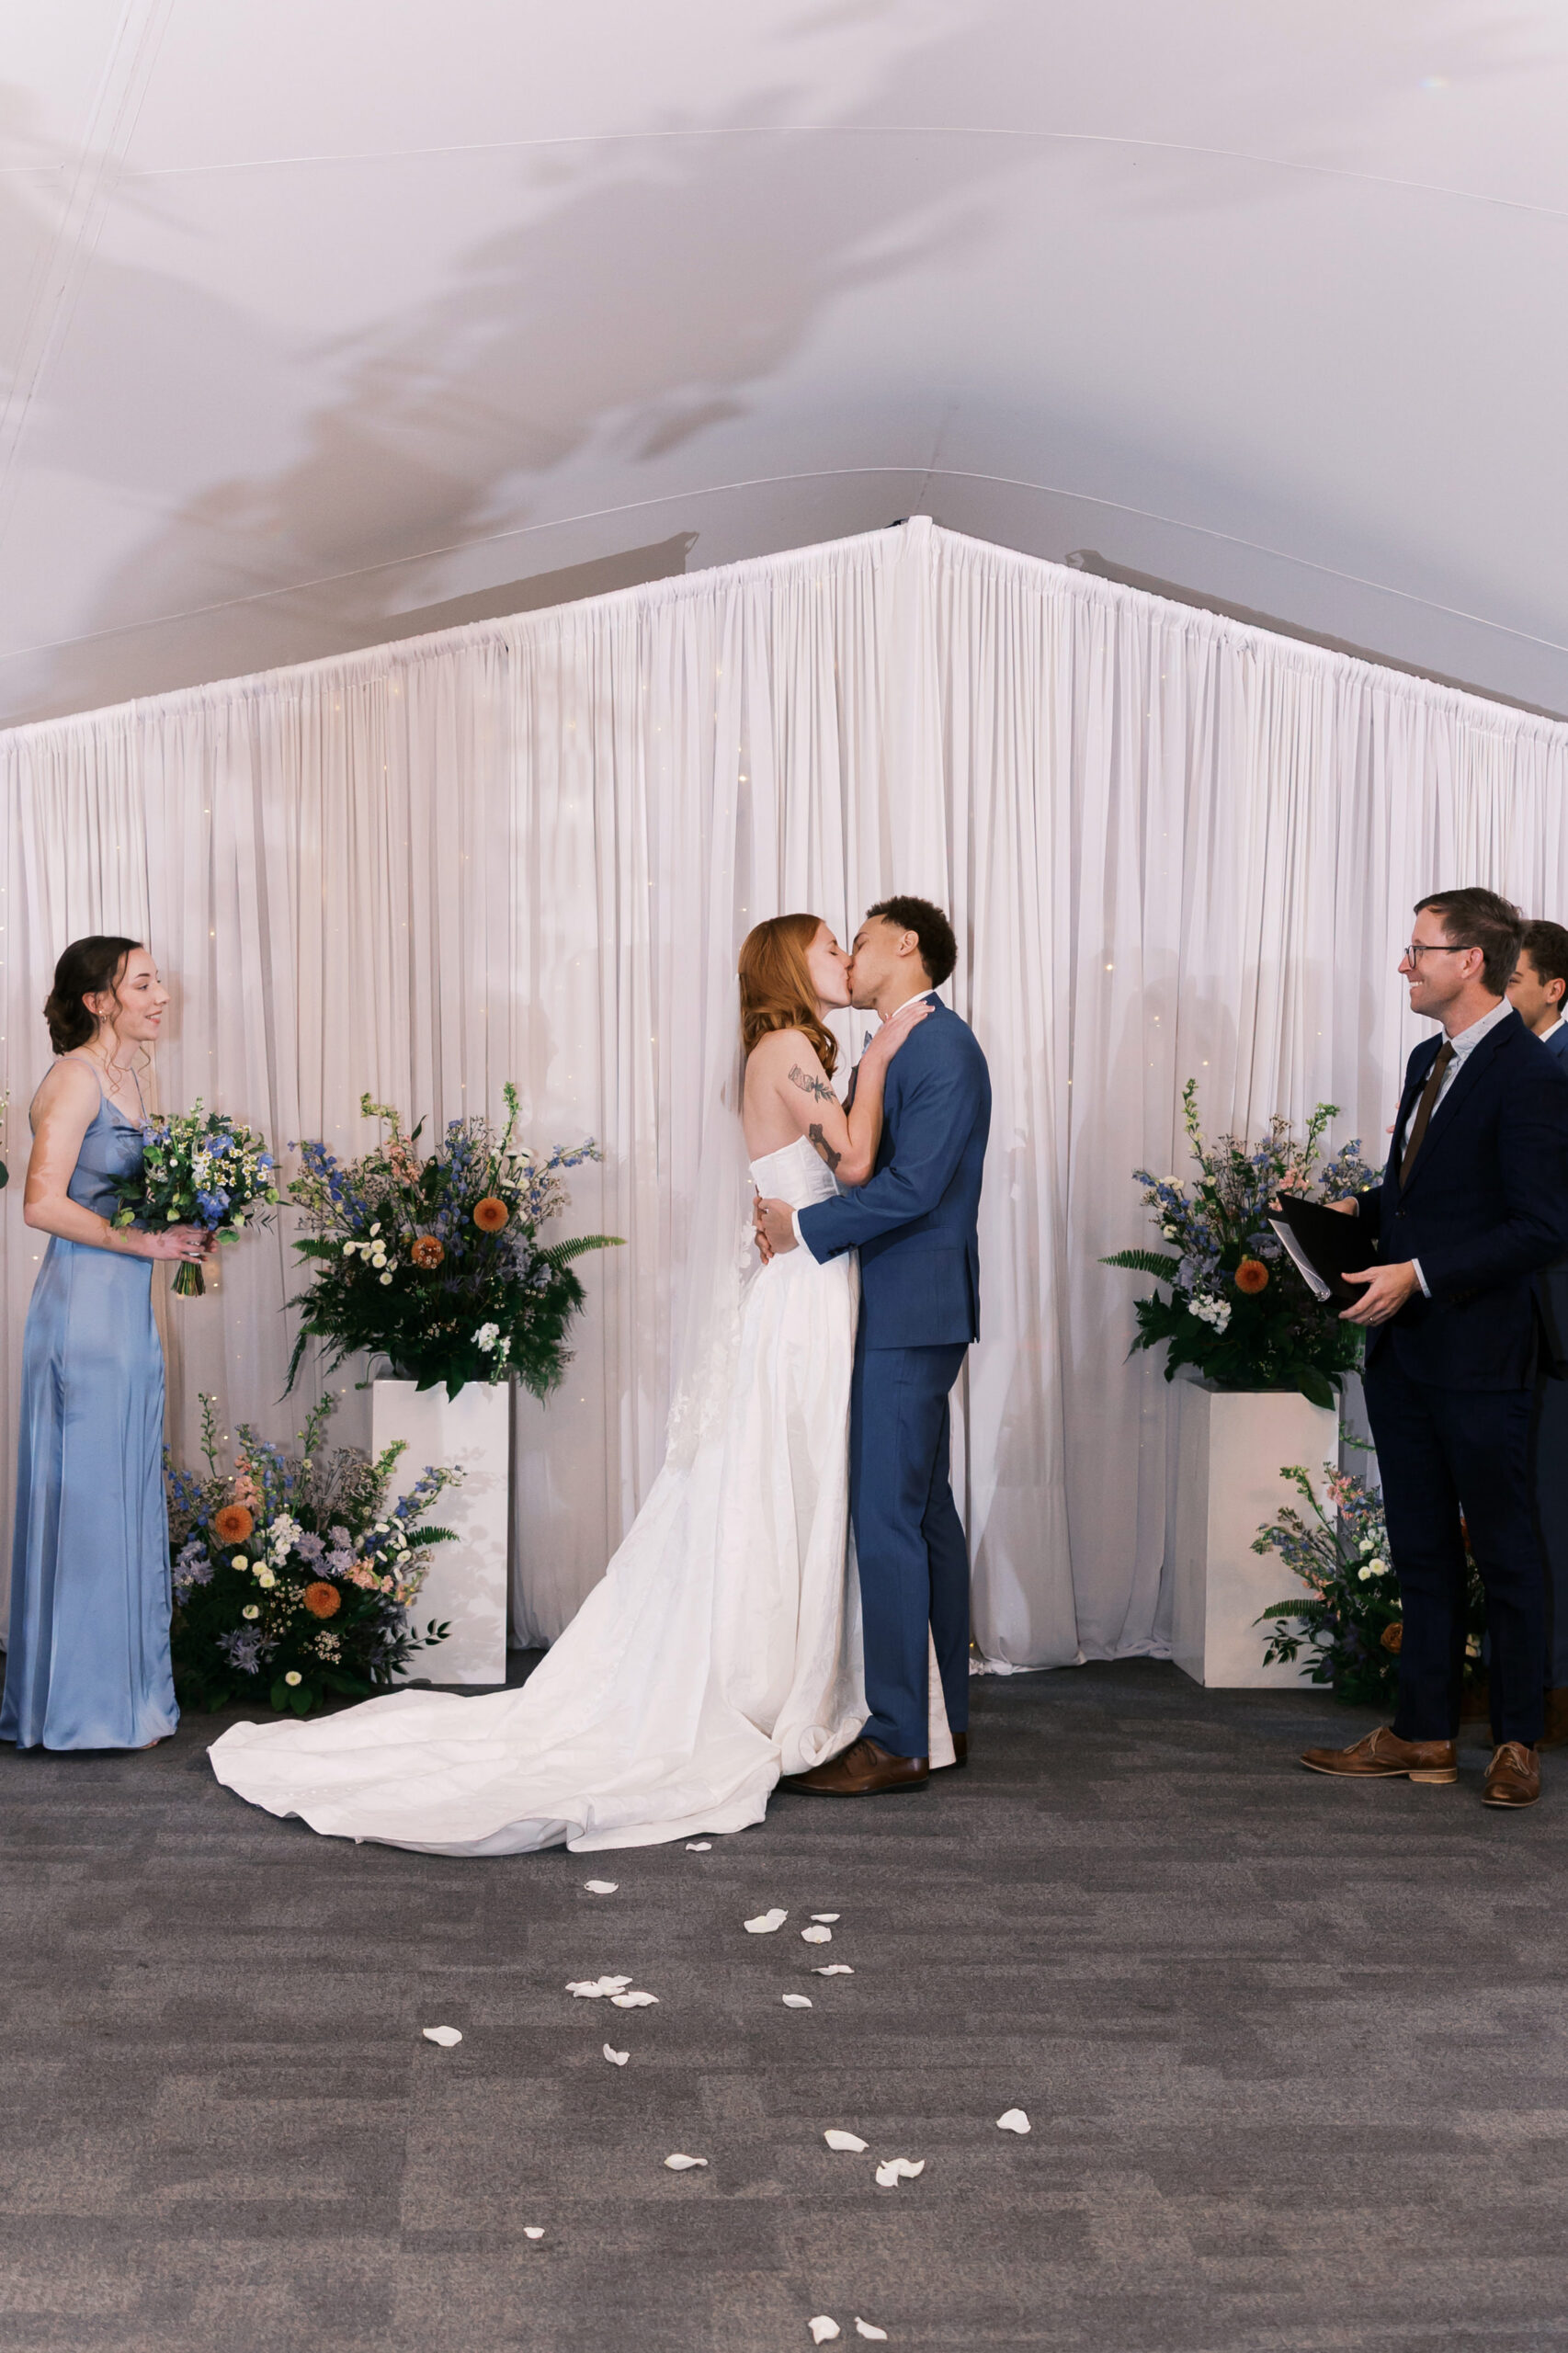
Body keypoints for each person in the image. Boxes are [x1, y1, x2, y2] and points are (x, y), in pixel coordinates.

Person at [209, 912, 946, 1853]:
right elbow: (855, 1160)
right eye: (829, 946)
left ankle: (796, 1662)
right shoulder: (788, 1047)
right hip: (801, 1294)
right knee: (783, 1470)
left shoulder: (785, 1048)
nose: (844, 957)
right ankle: (764, 1675)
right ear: (789, 965)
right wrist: (882, 1059)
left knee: (790, 1473)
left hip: (807, 1279)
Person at [1301, 889, 1568, 1808]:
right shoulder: (1429, 1058)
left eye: (1419, 950)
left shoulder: (1530, 1074)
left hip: (1482, 1354)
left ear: (1471, 962)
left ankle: (1516, 1741)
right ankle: (1421, 1733)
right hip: (1406, 1351)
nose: (1404, 965)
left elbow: (1541, 1226)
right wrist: (1360, 1208)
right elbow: (1432, 1193)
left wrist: (1416, 1273)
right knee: (1419, 1548)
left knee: (1505, 1550)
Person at [754, 896, 992, 1795]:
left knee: (888, 1515)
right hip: (897, 1306)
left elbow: (915, 1187)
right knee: (923, 1511)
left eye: (857, 941)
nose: (849, 958)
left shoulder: (937, 1044)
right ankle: (940, 1719)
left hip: (907, 1307)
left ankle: (895, 1738)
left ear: (905, 944)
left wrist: (803, 1228)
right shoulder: (897, 1043)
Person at [1, 938, 210, 1752]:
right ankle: (81, 1711)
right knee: (91, 1503)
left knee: (121, 1492)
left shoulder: (130, 1077)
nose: (162, 995)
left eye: (160, 980)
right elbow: (41, 1204)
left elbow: (117, 1199)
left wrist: (179, 1230)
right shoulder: (75, 1078)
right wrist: (144, 1242)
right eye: (144, 983)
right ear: (98, 1001)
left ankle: (123, 1701)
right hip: (83, 1317)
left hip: (123, 1312)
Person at [1506, 919, 1568, 1737]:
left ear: (1554, 989)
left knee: (1551, 1507)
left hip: (1555, 1321)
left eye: (1513, 978)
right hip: (1514, 1317)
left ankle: (1551, 1689)